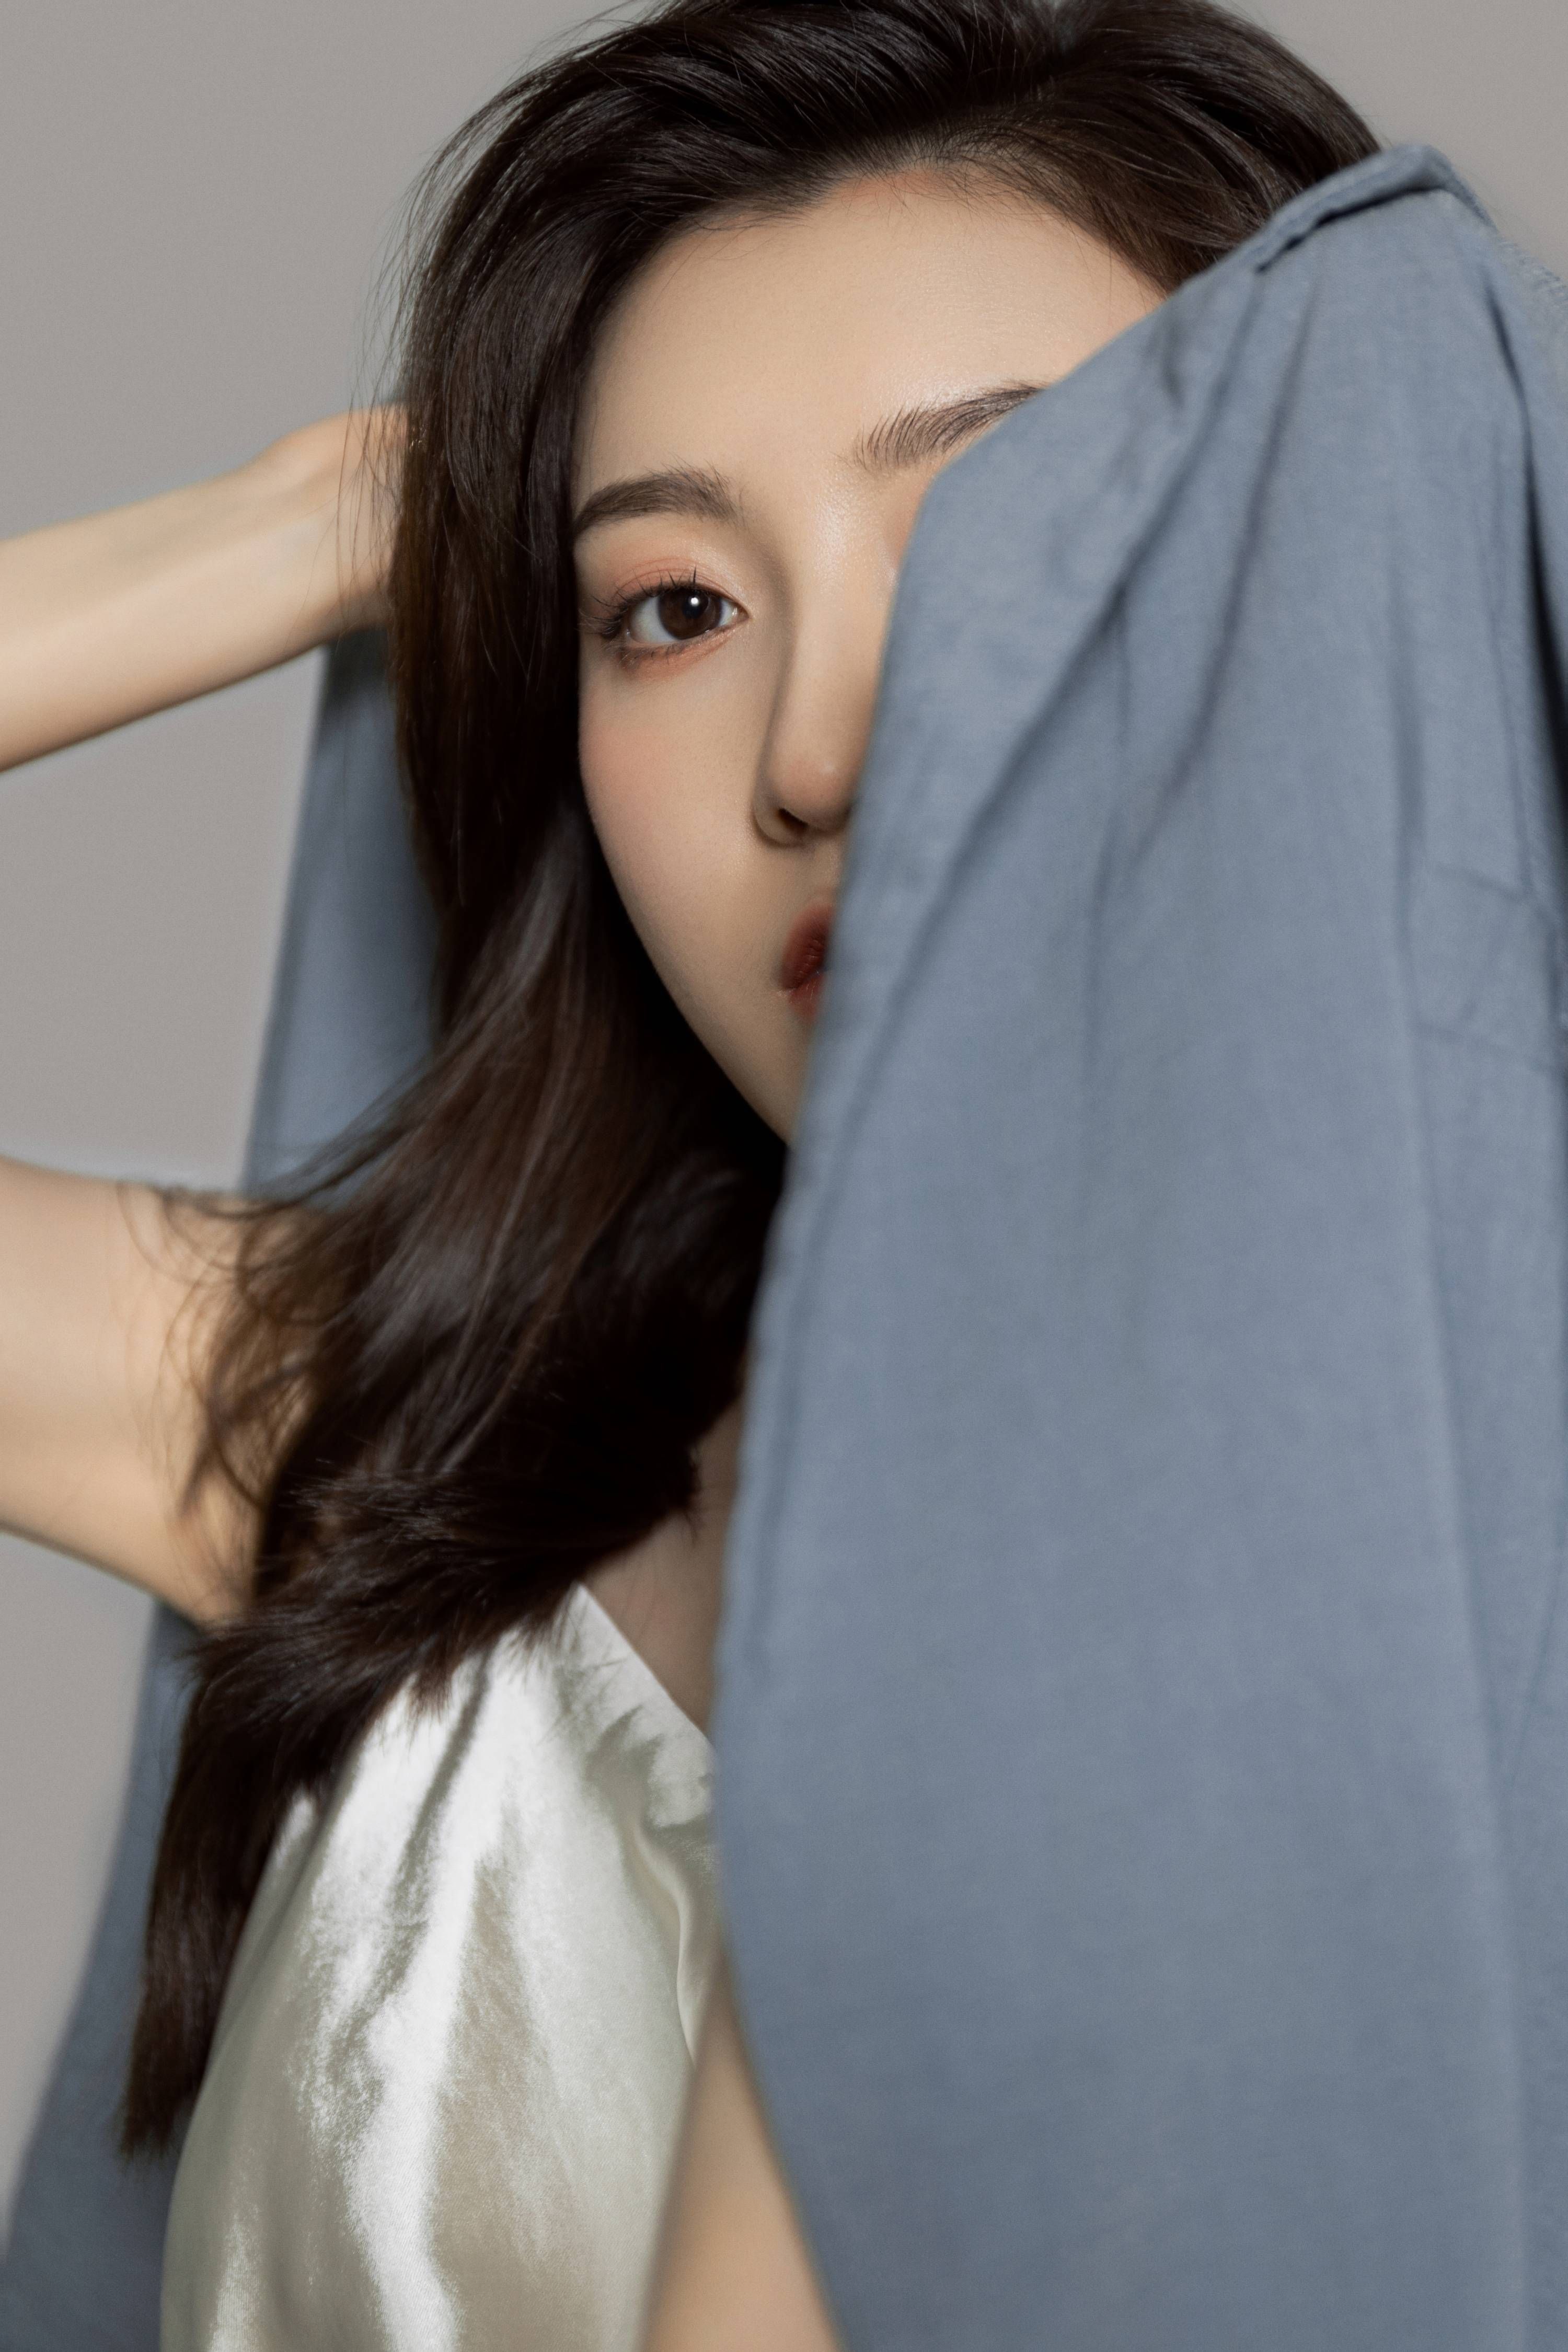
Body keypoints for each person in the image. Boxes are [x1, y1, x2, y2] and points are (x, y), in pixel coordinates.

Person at [0, 0, 1406, 2343]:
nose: (820, 751)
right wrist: (296, 525)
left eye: (1007, 530)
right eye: (671, 607)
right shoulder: (423, 1450)